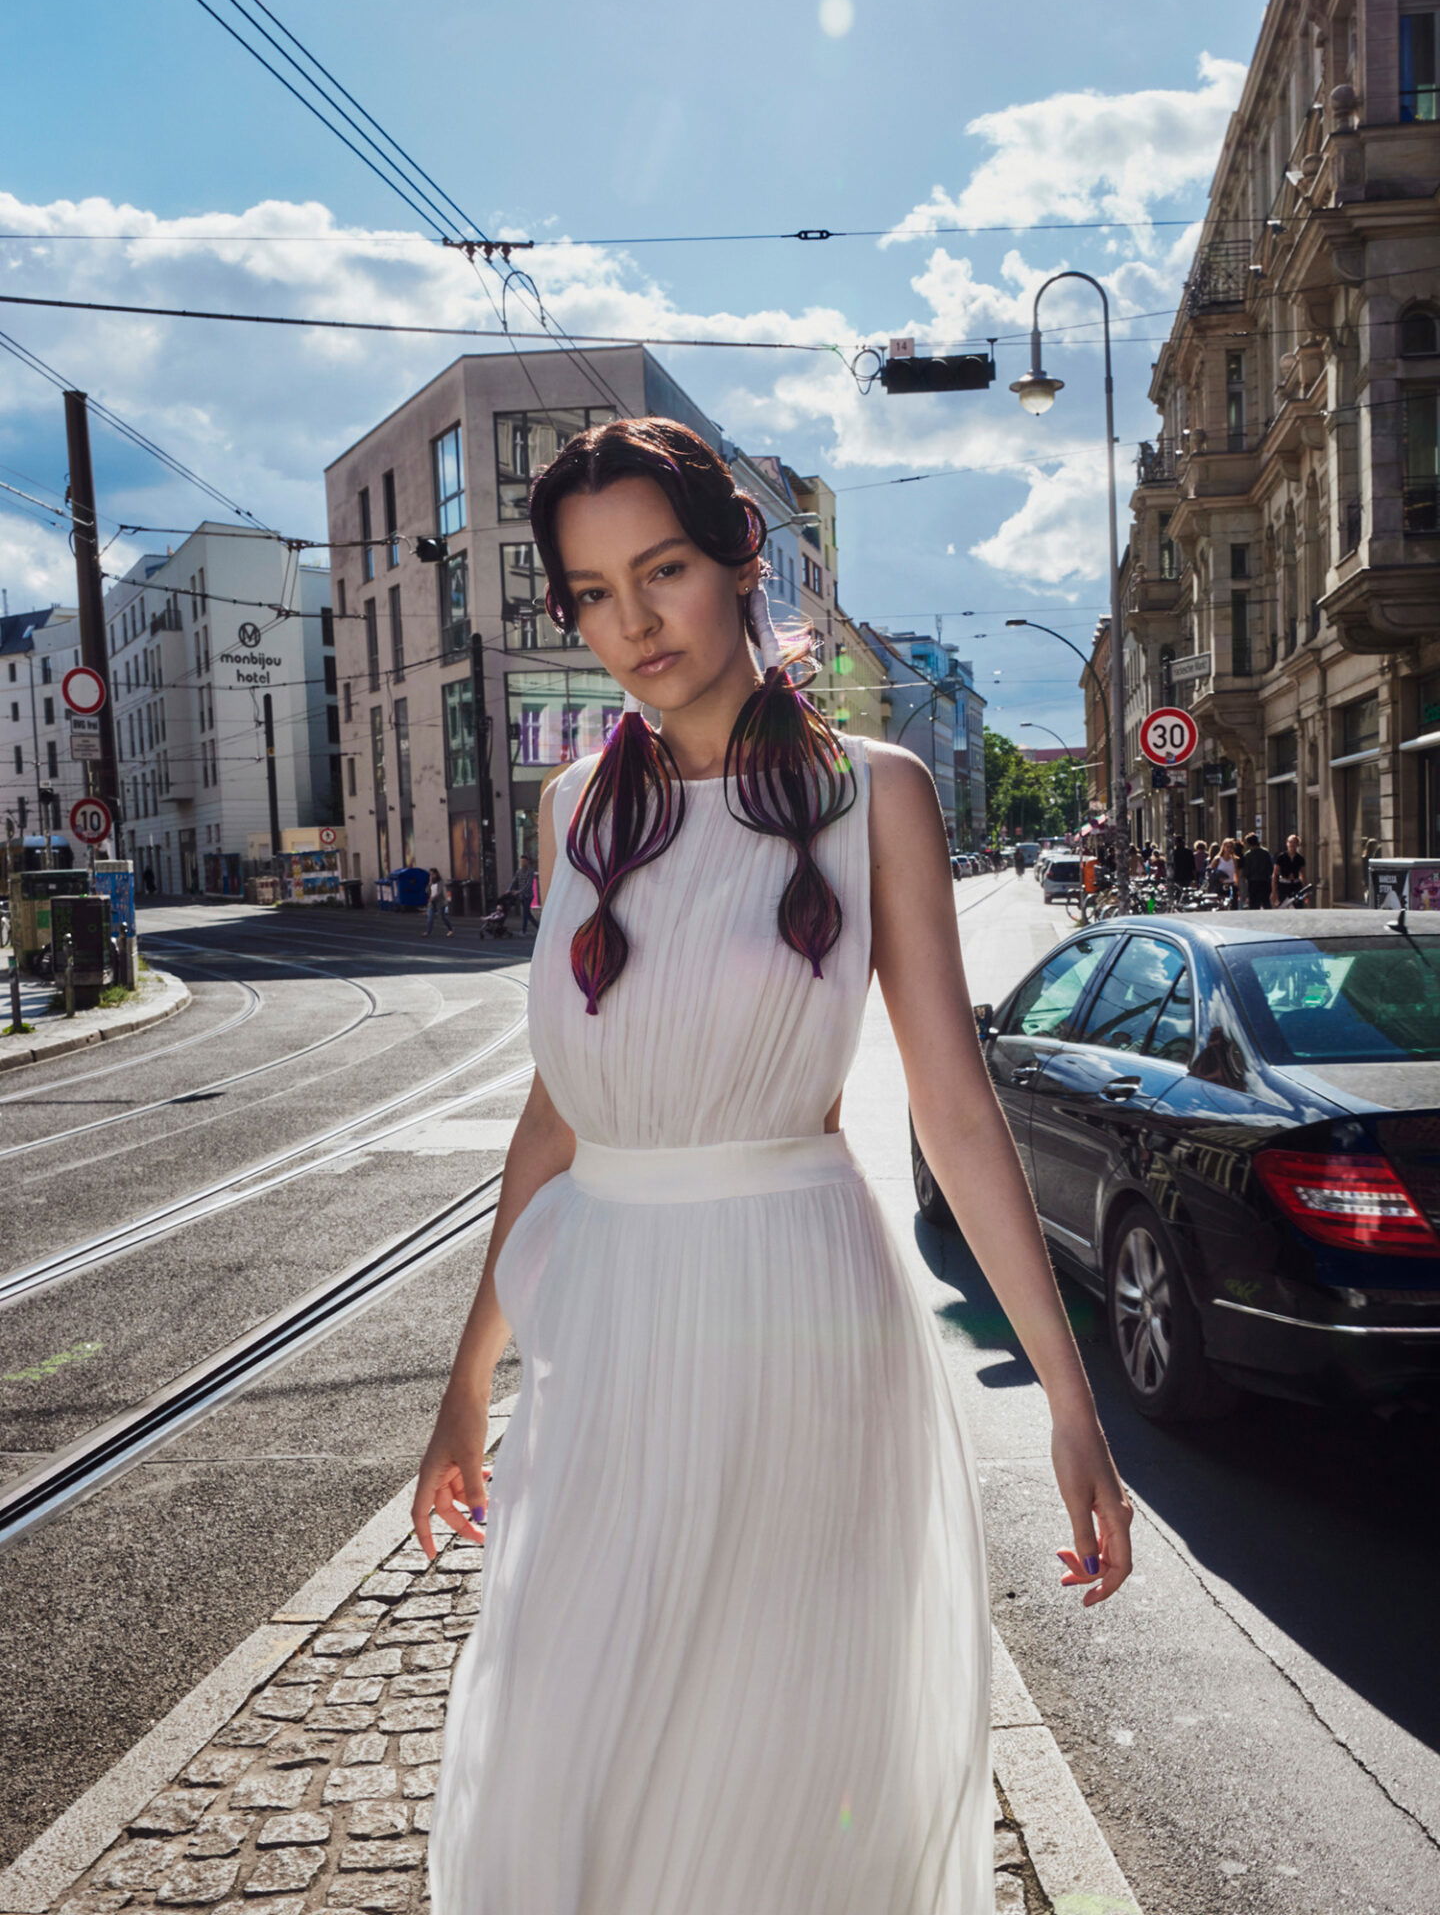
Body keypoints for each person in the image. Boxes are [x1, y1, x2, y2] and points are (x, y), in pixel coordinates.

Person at [412, 417, 1133, 1915]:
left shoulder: (878, 794)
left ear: (742, 558)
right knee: (583, 1747)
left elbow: (951, 1104)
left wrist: (1072, 1399)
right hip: (602, 1330)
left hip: (802, 1325)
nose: (634, 624)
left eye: (662, 571)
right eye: (594, 593)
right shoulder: (570, 812)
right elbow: (558, 1116)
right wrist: (465, 1386)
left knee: (782, 1770)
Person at [1240, 830, 1274, 909]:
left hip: (1253, 882)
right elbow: (1270, 868)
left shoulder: (1248, 855)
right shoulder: (1265, 853)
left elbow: (1246, 871)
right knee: (1266, 902)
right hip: (1265, 881)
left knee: (1254, 904)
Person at [1273, 832, 1307, 906]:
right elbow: (1275, 874)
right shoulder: (1281, 857)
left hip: (1296, 885)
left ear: (1298, 844)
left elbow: (1303, 875)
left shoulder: (1300, 858)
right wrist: (1274, 892)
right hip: (1283, 886)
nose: (1292, 844)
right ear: (1287, 843)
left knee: (1298, 906)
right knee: (1282, 907)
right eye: (1290, 842)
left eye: (1294, 842)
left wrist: (1305, 891)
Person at [424, 866, 454, 938]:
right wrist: (430, 883)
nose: (431, 876)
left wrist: (433, 898)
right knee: (430, 918)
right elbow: (426, 891)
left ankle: (450, 929)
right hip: (431, 904)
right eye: (430, 874)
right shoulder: (431, 882)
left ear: (436, 874)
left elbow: (439, 892)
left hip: (440, 903)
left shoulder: (440, 882)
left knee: (442, 917)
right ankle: (428, 932)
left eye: (432, 874)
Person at [1213, 836, 1241, 907]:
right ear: (1223, 847)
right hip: (1220, 885)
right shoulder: (1218, 859)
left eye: (1231, 847)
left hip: (1231, 884)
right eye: (1227, 847)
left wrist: (1237, 886)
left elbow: (1236, 873)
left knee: (1233, 905)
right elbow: (1210, 871)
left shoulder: (1234, 860)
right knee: (1220, 905)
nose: (1229, 849)